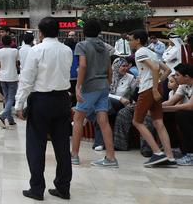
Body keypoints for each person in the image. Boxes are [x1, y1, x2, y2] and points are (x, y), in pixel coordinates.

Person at [15, 17, 73, 201]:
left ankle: (37, 188)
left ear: (40, 32)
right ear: (59, 31)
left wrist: (19, 104)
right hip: (63, 99)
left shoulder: (36, 50)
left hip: (41, 100)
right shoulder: (66, 50)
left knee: (36, 145)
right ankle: (63, 188)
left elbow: (27, 79)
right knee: (62, 146)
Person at [70, 20, 118, 168]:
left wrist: (78, 87)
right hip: (103, 86)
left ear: (84, 32)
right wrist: (108, 83)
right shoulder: (104, 47)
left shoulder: (82, 45)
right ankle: (111, 158)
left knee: (78, 119)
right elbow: (110, 69)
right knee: (103, 121)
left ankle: (74, 155)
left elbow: (83, 65)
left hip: (89, 87)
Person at [129, 29, 176, 167]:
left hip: (148, 90)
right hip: (155, 87)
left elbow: (155, 69)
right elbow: (166, 70)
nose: (129, 42)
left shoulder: (140, 52)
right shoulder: (151, 52)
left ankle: (157, 153)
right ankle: (170, 157)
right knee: (158, 122)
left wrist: (154, 88)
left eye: (131, 39)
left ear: (138, 40)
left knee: (137, 122)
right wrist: (158, 84)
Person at [162, 63, 193, 165]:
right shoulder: (183, 85)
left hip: (189, 111)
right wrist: (157, 108)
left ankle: (191, 155)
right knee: (167, 114)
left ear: (187, 77)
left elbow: (190, 106)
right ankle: (175, 148)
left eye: (177, 75)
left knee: (182, 115)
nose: (175, 77)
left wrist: (168, 109)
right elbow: (170, 102)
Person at [0, 35, 19, 128]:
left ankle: (10, 119)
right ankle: (3, 116)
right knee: (11, 98)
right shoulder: (15, 51)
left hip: (2, 76)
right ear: (11, 42)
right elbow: (17, 64)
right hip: (12, 76)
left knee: (6, 97)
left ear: (2, 42)